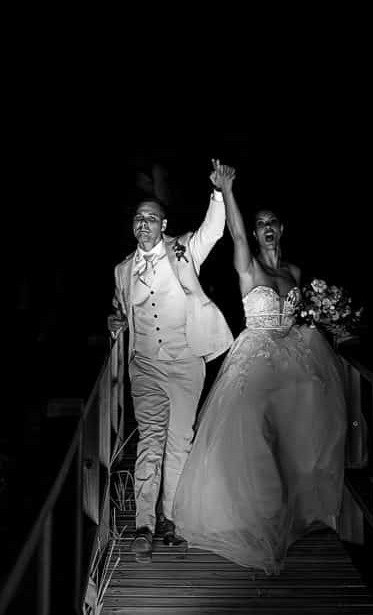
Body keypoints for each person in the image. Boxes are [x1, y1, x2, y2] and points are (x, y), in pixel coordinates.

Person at [171, 185, 348, 574]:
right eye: (260, 224)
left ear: (282, 229)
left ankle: (293, 514)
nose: (266, 228)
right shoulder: (249, 267)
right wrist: (227, 190)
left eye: (272, 223)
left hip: (294, 359)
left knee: (300, 430)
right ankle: (255, 518)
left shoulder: (295, 272)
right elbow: (234, 233)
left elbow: (304, 318)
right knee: (251, 433)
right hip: (256, 356)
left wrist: (332, 322)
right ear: (254, 233)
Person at [107, 160, 235, 561]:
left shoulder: (183, 249)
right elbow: (121, 311)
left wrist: (219, 192)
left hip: (184, 362)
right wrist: (115, 320)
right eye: (138, 218)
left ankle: (170, 519)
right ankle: (143, 524)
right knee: (150, 441)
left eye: (152, 218)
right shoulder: (122, 270)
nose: (144, 223)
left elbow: (214, 230)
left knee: (180, 442)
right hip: (144, 364)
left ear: (164, 225)